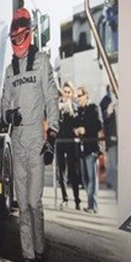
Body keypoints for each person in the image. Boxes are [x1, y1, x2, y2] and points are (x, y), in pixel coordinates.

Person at [0, 7, 59, 262]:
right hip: (17, 139)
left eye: (21, 35)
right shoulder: (10, 70)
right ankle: (28, 256)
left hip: (36, 137)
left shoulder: (42, 61)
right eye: (14, 37)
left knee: (34, 201)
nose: (18, 40)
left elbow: (52, 99)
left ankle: (40, 247)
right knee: (22, 204)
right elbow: (4, 103)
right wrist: (8, 115)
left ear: (30, 33)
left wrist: (52, 136)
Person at [74, 86, 103, 213]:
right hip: (82, 149)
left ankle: (93, 206)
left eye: (80, 96)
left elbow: (99, 124)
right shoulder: (79, 110)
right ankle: (90, 204)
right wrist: (76, 129)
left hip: (92, 148)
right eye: (77, 96)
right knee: (85, 178)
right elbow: (75, 124)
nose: (78, 98)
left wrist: (85, 129)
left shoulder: (93, 107)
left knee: (92, 179)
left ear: (86, 96)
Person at [56, 81, 81, 210]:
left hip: (71, 142)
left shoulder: (75, 106)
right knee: (61, 172)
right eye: (64, 92)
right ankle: (64, 198)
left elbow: (78, 122)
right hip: (60, 141)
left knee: (73, 172)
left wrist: (71, 110)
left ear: (72, 93)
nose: (66, 94)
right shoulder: (58, 105)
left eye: (68, 92)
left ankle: (77, 200)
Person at [99, 85, 118, 193]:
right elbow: (102, 118)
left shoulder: (120, 97)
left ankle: (111, 182)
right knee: (112, 163)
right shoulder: (105, 101)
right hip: (112, 138)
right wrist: (108, 112)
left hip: (120, 137)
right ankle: (112, 184)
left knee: (114, 163)